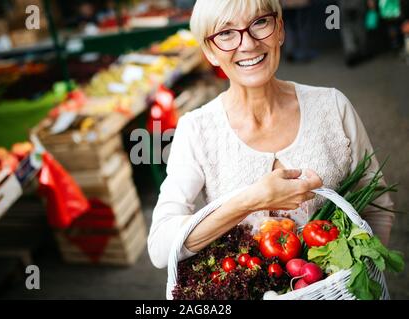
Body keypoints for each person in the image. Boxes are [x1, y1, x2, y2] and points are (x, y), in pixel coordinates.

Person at [147, 0, 394, 269]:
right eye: (226, 33)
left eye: (259, 23)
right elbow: (160, 248)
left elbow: (377, 203)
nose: (248, 44)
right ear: (210, 52)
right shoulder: (196, 130)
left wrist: (359, 280)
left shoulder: (333, 106)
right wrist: (251, 200)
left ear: (280, 30)